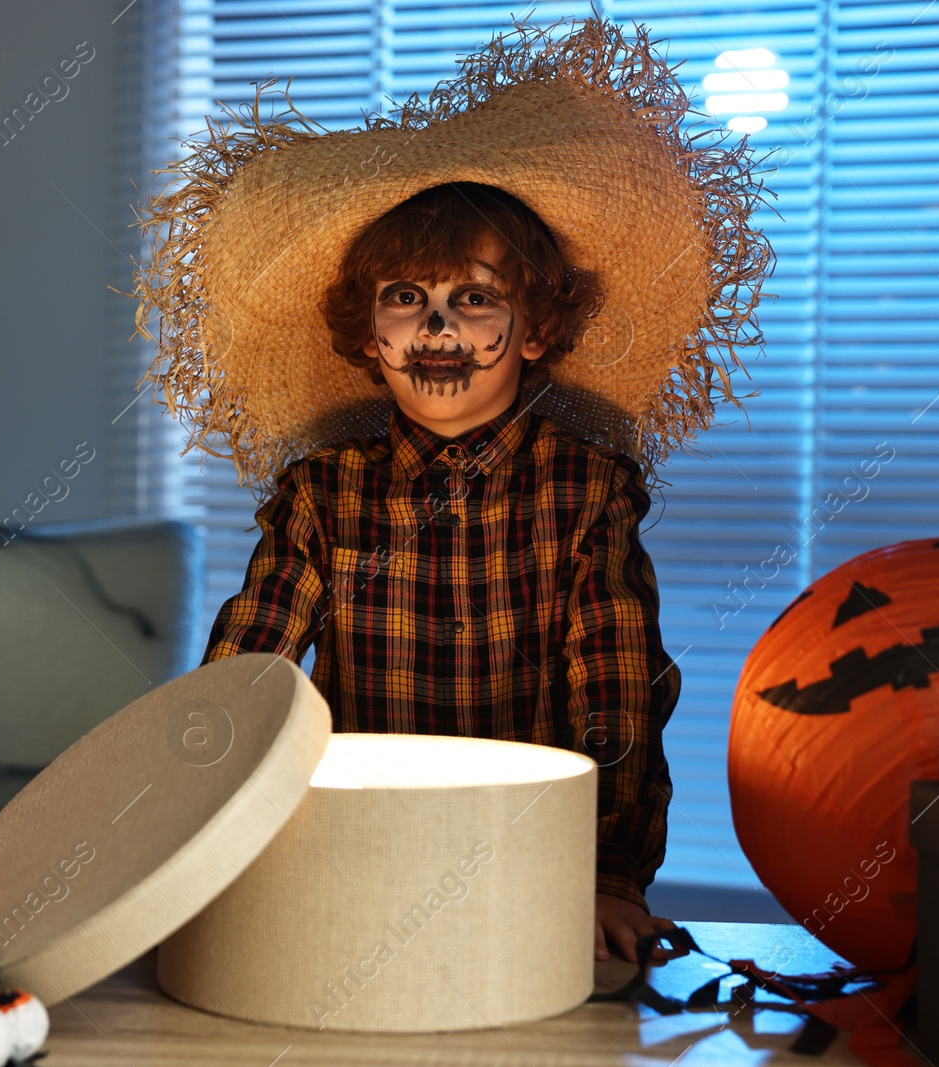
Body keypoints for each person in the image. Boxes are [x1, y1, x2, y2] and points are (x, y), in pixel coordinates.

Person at [130, 9, 770, 965]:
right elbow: (248, 673)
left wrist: (606, 874)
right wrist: (198, 829)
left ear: (538, 327)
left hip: (534, 864)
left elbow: (618, 693)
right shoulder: (322, 494)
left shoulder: (585, 491)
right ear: (367, 335)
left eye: (474, 300)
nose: (438, 330)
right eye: (405, 301)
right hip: (352, 858)